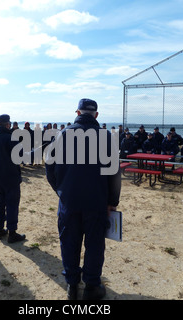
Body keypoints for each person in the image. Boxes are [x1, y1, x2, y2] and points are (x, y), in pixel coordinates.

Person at [45, 98, 121, 300]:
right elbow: (114, 172)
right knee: (94, 244)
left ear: (77, 113)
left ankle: (72, 285)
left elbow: (49, 168)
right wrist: (112, 201)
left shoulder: (62, 134)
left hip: (69, 201)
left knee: (69, 242)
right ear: (96, 115)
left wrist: (61, 191)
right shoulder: (105, 137)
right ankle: (91, 287)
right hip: (96, 201)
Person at [0, 114, 25, 244]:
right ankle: (12, 233)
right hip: (10, 177)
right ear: (7, 124)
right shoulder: (11, 139)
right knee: (12, 205)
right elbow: (19, 158)